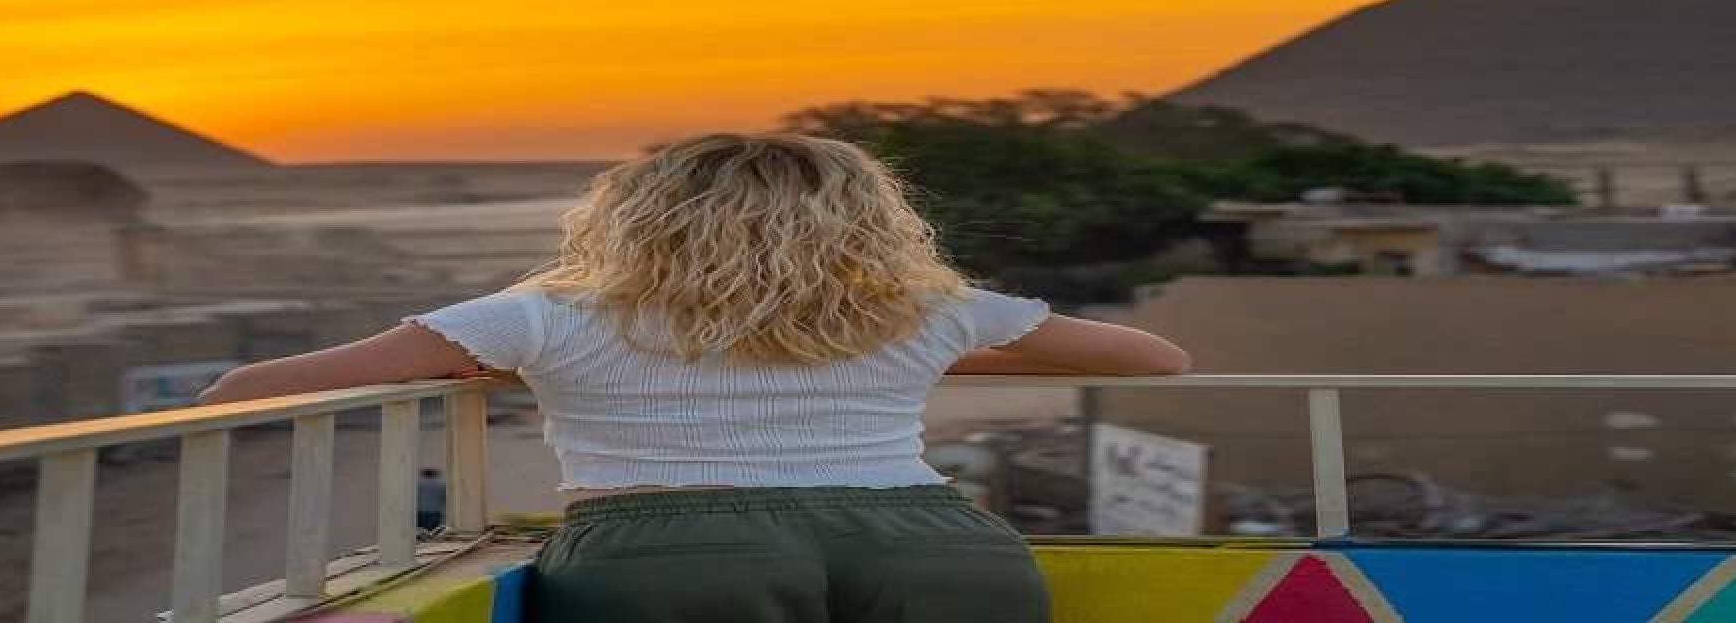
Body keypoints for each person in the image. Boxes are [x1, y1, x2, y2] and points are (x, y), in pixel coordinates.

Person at [199, 133, 1190, 623]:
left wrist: (485, 364)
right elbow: (1155, 357)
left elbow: (243, 390)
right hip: (932, 541)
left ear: (634, 215)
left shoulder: (544, 311)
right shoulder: (914, 308)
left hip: (673, 548)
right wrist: (921, 348)